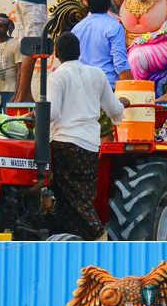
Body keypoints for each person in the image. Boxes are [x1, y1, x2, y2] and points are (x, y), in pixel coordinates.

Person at [47, 31, 127, 239]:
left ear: (56, 53)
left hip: (65, 143)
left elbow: (53, 113)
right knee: (83, 196)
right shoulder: (97, 74)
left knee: (71, 199)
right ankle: (76, 239)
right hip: (91, 146)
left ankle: (99, 235)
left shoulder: (57, 76)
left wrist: (35, 116)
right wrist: (124, 104)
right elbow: (115, 110)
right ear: (80, 51)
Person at [72, 0, 132, 89]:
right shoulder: (114, 27)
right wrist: (132, 88)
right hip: (107, 89)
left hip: (81, 88)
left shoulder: (76, 29)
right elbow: (120, 65)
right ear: (109, 4)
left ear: (88, 4)